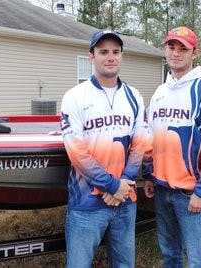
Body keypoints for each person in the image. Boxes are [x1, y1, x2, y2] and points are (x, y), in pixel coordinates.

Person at [143, 26, 201, 268]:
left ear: (195, 53)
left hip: (191, 193)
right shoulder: (160, 92)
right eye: (171, 47)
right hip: (162, 190)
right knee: (170, 254)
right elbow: (151, 136)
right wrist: (149, 174)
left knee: (199, 260)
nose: (176, 53)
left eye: (183, 48)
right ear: (165, 50)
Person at [60, 29, 148, 268]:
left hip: (125, 200)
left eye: (116, 52)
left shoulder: (134, 96)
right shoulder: (74, 97)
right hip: (86, 203)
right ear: (91, 56)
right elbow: (76, 152)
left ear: (121, 56)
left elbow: (140, 143)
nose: (111, 57)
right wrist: (111, 185)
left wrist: (124, 182)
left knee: (124, 265)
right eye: (104, 52)